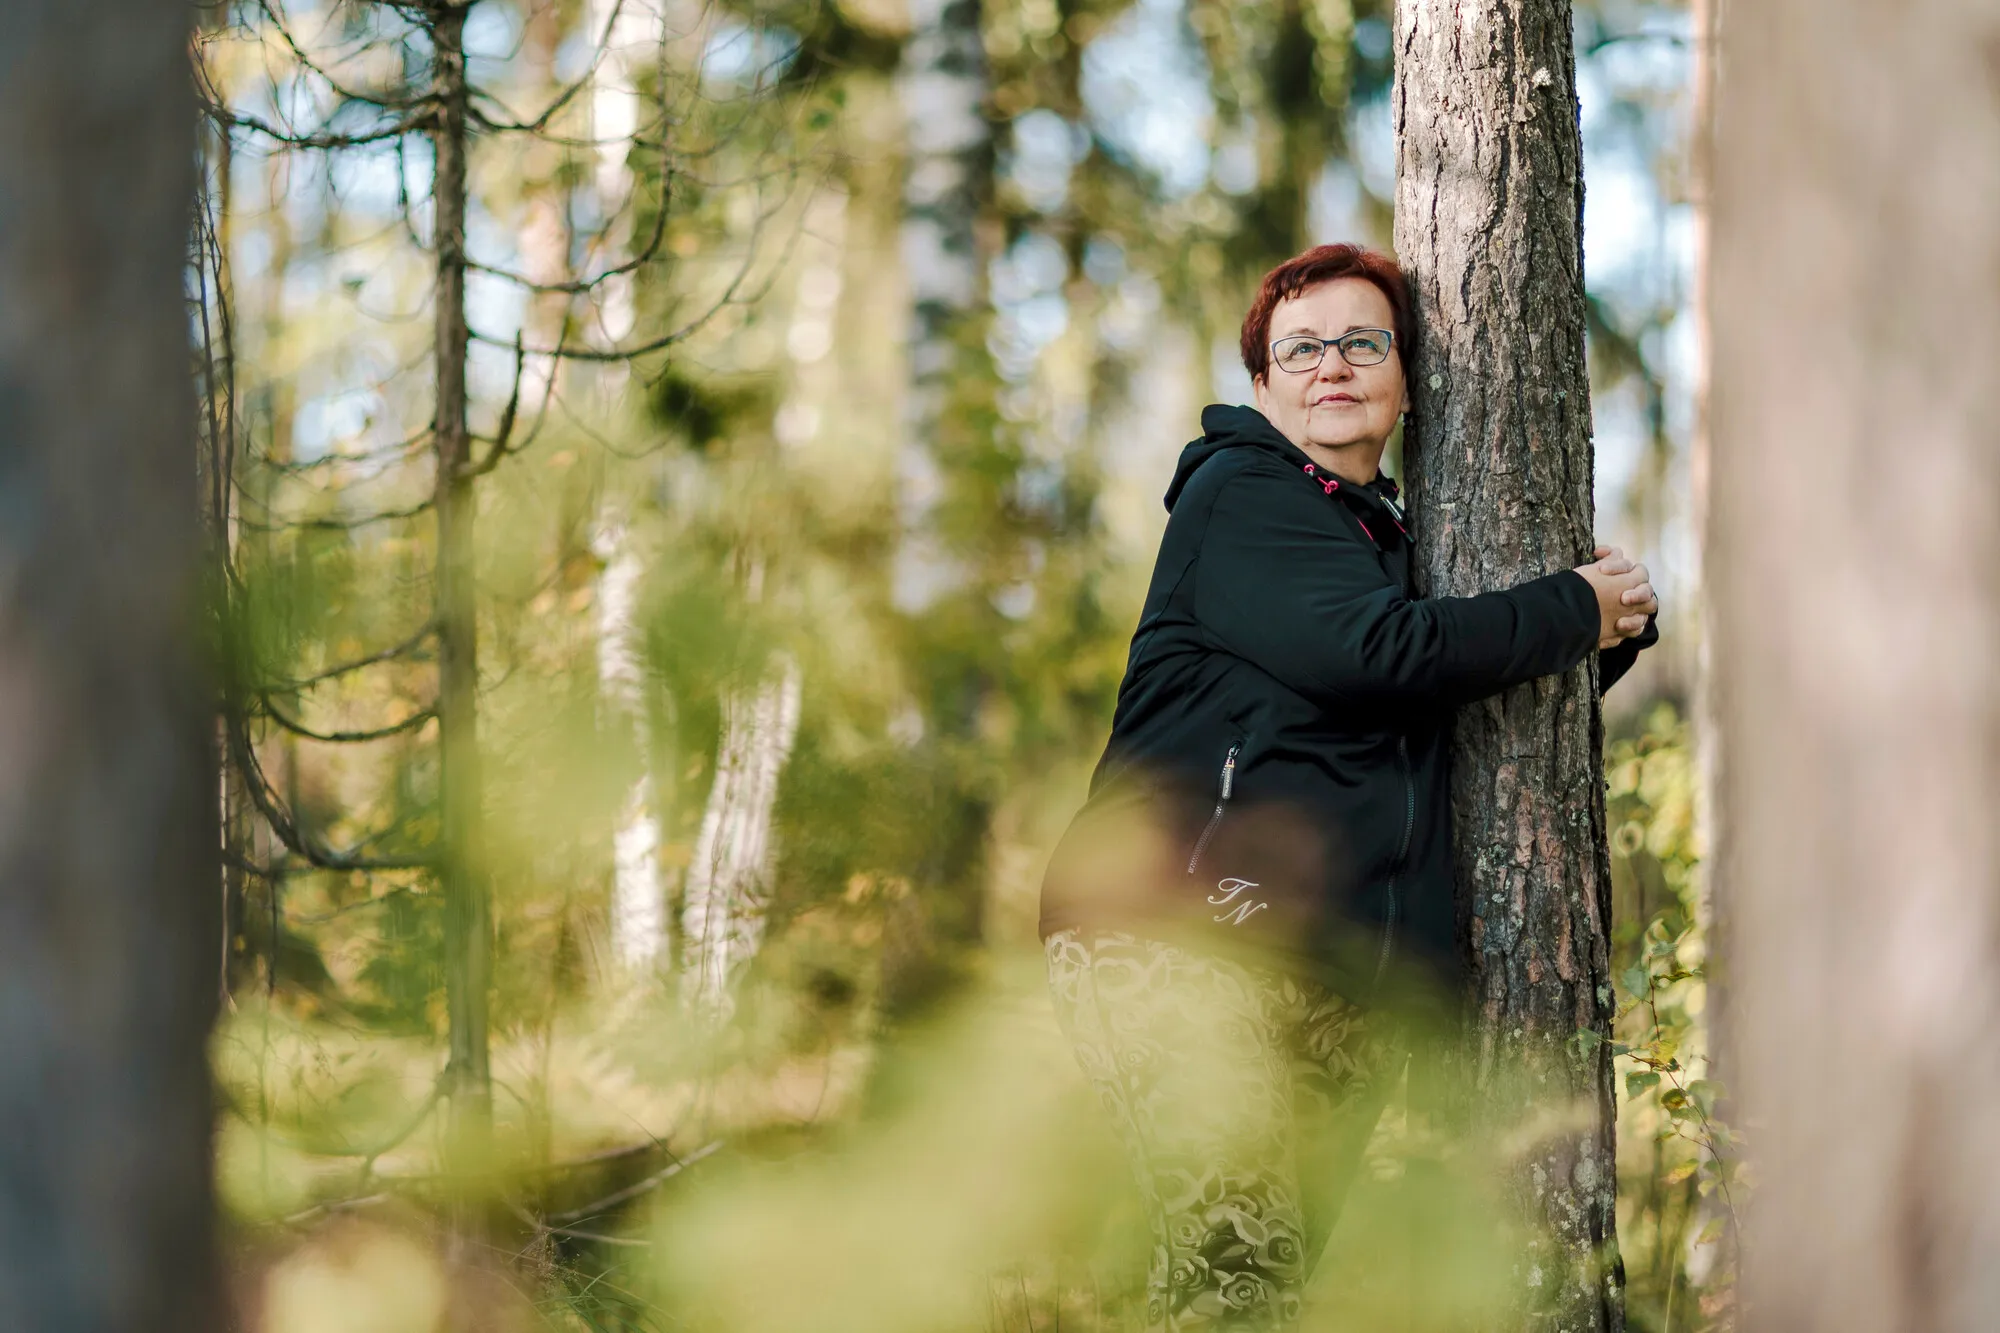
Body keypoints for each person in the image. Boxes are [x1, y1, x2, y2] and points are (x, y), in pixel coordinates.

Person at [1037, 243, 1658, 1330]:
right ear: (1264, 385)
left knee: (1254, 1283)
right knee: (1237, 1276)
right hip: (1178, 939)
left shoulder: (1386, 541)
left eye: (1362, 342)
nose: (1332, 365)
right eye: (1301, 348)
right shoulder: (1244, 495)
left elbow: (1424, 704)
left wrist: (1605, 639)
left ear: (1409, 378)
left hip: (1324, 972)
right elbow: (1377, 656)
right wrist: (1568, 608)